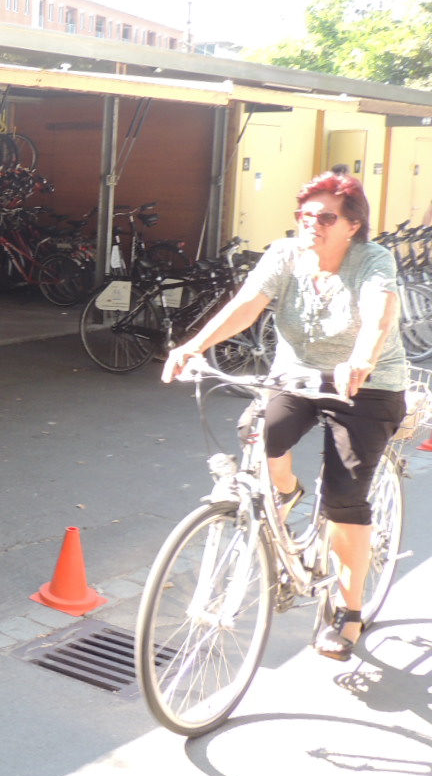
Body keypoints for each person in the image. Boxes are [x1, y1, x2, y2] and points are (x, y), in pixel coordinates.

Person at [163, 172, 408, 660]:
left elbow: (378, 314)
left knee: (343, 496)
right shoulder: (285, 255)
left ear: (352, 225)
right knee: (258, 431)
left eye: (325, 217)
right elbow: (246, 307)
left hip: (366, 385)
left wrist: (361, 359)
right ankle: (286, 491)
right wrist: (194, 346)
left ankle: (348, 612)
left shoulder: (372, 260)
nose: (311, 223)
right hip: (298, 376)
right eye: (304, 215)